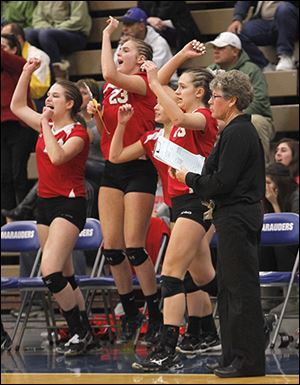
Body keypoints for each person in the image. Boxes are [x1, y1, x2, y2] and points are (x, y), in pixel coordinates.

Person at [132, 41, 220, 371]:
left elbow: (177, 110)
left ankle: (166, 347)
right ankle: (249, 311)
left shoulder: (204, 115)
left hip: (198, 201)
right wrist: (158, 78)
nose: (177, 90)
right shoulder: (177, 120)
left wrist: (155, 81)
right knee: (202, 276)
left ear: (200, 92)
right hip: (179, 201)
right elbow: (167, 106)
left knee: (171, 273)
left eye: (182, 87)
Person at [173, 70, 266, 378]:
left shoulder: (239, 132)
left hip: (239, 215)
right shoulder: (231, 131)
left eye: (215, 96)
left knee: (241, 290)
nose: (211, 101)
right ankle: (232, 356)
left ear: (232, 101)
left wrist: (189, 178)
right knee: (227, 289)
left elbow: (223, 182)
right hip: (230, 216)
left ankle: (247, 360)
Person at [10, 57, 96, 356]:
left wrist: (45, 124)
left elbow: (59, 157)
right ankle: (84, 330)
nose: (49, 99)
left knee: (50, 272)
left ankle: (78, 331)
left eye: (55, 96)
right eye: (48, 96)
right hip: (45, 205)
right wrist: (25, 72)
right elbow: (17, 107)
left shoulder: (78, 133)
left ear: (70, 104)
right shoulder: (47, 124)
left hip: (69, 204)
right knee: (66, 274)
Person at [90, 16, 161, 344]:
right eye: (119, 46)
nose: (120, 50)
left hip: (139, 167)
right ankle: (129, 312)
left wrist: (105, 34)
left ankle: (155, 312)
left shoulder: (144, 82)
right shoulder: (111, 88)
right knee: (113, 248)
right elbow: (108, 130)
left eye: (126, 48)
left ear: (141, 59)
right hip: (112, 166)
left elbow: (108, 71)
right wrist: (97, 117)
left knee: (135, 247)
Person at [206, 31, 273, 164]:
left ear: (235, 51)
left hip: (252, 117)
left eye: (221, 48)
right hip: (217, 118)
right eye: (214, 48)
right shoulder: (209, 71)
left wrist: (231, 119)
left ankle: (264, 173)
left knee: (256, 122)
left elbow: (258, 102)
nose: (216, 51)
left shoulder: (252, 70)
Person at [1, 34, 37, 226]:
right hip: (2, 128)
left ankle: (25, 219)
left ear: (14, 49)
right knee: (4, 175)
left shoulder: (19, 65)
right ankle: (8, 222)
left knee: (18, 174)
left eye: (4, 46)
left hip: (20, 126)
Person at [24, 1, 92, 79]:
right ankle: (36, 72)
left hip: (75, 33)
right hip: (49, 33)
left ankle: (58, 74)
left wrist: (56, 29)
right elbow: (37, 19)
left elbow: (78, 19)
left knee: (46, 35)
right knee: (28, 33)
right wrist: (49, 28)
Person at [114, 7, 178, 87]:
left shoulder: (159, 42)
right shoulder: (126, 41)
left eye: (129, 24)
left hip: (166, 84)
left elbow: (151, 71)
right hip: (136, 83)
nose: (124, 29)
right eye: (124, 24)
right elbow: (115, 66)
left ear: (141, 26)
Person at [227, 1, 299, 71]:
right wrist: (238, 18)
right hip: (265, 23)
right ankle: (264, 65)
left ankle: (286, 55)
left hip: (290, 20)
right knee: (238, 32)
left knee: (284, 9)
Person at [2, 22, 51, 110]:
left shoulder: (37, 56)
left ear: (18, 39)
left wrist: (14, 89)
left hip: (38, 102)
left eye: (3, 47)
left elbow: (38, 91)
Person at [260, 162, 299, 271]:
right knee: (262, 245)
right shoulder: (265, 200)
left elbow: (286, 231)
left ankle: (287, 286)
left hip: (293, 247)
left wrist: (274, 204)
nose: (265, 187)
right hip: (279, 248)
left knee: (278, 245)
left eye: (268, 182)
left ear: (279, 183)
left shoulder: (295, 197)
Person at [137, 1, 201, 52]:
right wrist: (148, 19)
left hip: (180, 33)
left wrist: (149, 20)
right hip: (154, 31)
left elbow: (163, 15)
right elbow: (139, 15)